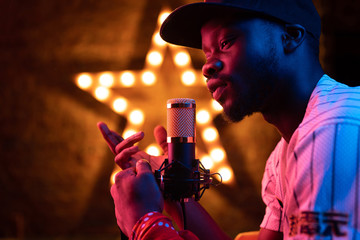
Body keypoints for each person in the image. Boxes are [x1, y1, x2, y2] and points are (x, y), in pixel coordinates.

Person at [98, 0, 360, 239]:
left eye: (226, 42)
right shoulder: (282, 157)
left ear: (290, 37)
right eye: (206, 54)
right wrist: (171, 189)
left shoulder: (334, 128)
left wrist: (146, 223)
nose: (207, 66)